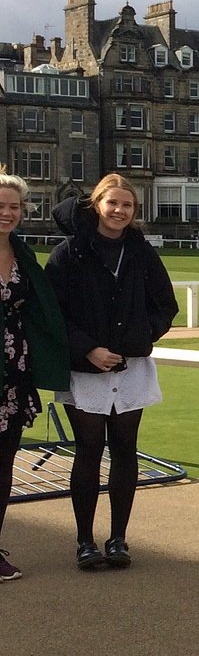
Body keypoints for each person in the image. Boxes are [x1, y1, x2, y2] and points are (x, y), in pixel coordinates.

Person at [45, 175, 179, 571]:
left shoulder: (140, 252)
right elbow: (55, 314)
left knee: (124, 449)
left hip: (131, 365)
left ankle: (118, 538)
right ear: (97, 204)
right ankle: (85, 541)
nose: (120, 211)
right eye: (113, 203)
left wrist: (139, 339)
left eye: (128, 206)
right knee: (88, 450)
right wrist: (88, 348)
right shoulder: (69, 253)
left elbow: (165, 305)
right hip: (85, 368)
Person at [0, 170, 70, 581]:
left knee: (4, 464)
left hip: (13, 374)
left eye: (14, 207)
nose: (7, 214)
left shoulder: (24, 256)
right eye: (0, 207)